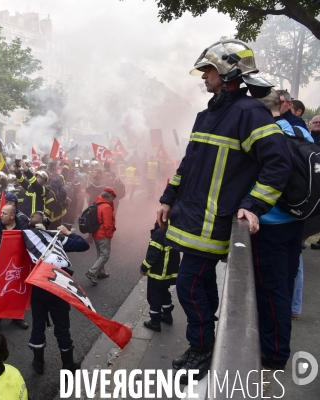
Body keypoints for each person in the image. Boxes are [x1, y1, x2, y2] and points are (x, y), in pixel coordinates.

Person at [157, 39, 291, 383]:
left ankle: (201, 348)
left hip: (214, 222)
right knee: (197, 283)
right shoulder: (209, 114)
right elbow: (188, 164)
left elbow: (278, 164)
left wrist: (253, 205)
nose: (204, 76)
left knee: (187, 285)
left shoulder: (249, 113)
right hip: (193, 218)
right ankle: (205, 342)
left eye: (210, 69)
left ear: (230, 71)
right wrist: (167, 197)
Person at [251, 88, 313, 370]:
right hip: (297, 220)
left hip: (271, 222)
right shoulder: (300, 132)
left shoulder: (266, 134)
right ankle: (277, 342)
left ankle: (274, 354)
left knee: (271, 290)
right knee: (284, 285)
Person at [26, 214, 89, 374]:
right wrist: (67, 232)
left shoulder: (25, 239)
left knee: (38, 325)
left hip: (38, 288)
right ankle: (68, 366)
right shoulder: (56, 239)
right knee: (62, 326)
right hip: (57, 287)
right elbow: (83, 245)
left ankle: (38, 363)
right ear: (47, 224)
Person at [0, 205, 29, 333]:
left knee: (16, 294)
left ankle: (16, 317)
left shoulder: (23, 229)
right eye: (1, 213)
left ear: (12, 216)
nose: (1, 215)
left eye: (5, 214)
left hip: (16, 269)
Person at [139, 222, 180, 332]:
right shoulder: (174, 230)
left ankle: (155, 322)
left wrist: (144, 267)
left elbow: (153, 254)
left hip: (158, 273)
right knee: (164, 293)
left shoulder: (160, 233)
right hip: (169, 272)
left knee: (153, 296)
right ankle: (167, 316)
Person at [85, 188, 116, 285]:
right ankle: (92, 272)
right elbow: (108, 224)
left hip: (96, 233)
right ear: (108, 196)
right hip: (103, 234)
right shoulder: (106, 207)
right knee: (105, 255)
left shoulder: (98, 202)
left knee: (100, 254)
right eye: (112, 197)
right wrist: (109, 235)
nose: (113, 200)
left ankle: (101, 273)